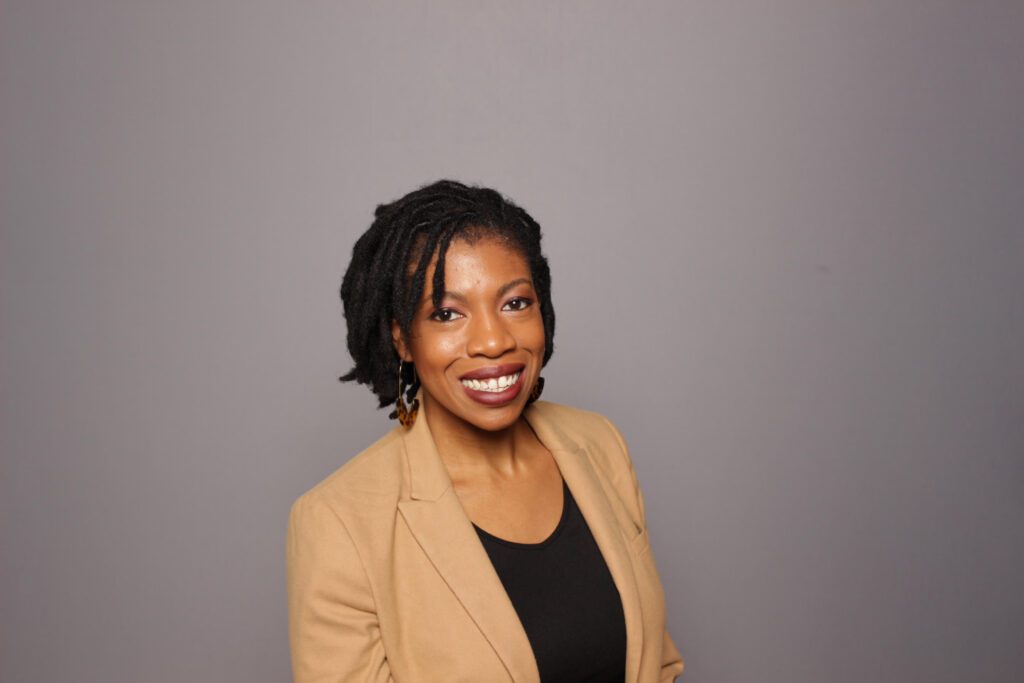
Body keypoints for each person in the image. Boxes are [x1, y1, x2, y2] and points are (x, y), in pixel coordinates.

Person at [286, 179, 684, 682]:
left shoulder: (598, 445)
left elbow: (658, 665)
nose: (494, 341)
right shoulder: (339, 523)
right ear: (402, 340)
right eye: (446, 314)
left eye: (515, 303)